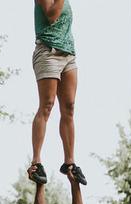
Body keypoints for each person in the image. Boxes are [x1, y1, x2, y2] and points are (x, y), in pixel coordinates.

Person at [30, 0, 86, 185]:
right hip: (48, 52)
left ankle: (69, 162)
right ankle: (37, 162)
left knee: (69, 108)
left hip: (68, 54)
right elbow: (52, 15)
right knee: (47, 106)